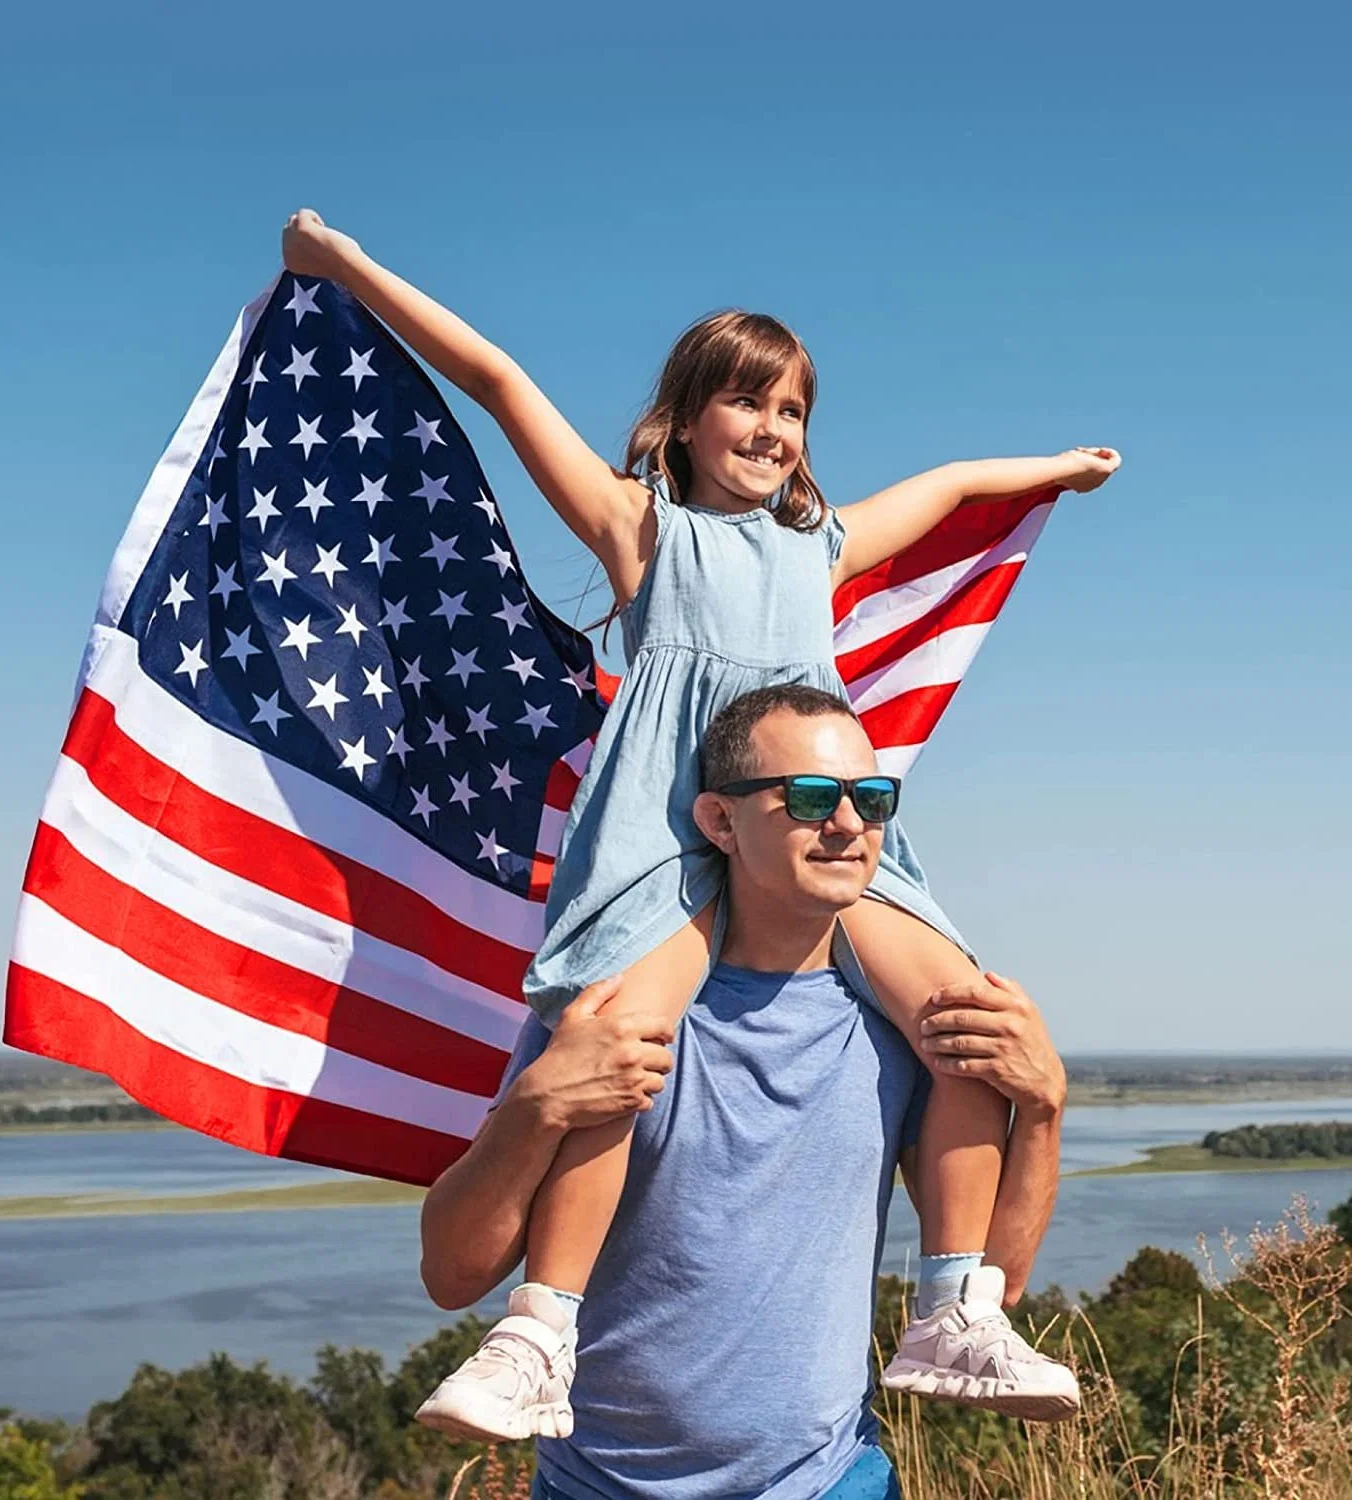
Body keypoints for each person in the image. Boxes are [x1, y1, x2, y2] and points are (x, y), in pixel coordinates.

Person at [280, 208, 1118, 1438]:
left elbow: (942, 490)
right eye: (748, 403)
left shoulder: (819, 549)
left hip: (813, 818)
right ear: (683, 420)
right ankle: (538, 1334)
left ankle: (954, 1308)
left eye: (794, 413)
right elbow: (501, 381)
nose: (775, 432)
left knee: (965, 1019)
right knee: (617, 1042)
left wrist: (1052, 467)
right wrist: (344, 268)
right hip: (667, 838)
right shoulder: (643, 530)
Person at [419, 684, 1072, 1500]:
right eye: (806, 797)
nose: (846, 825)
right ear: (720, 822)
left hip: (832, 1483)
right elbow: (451, 1273)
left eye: (871, 800)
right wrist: (535, 1107)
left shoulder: (905, 1035)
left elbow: (994, 1286)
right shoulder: (613, 1018)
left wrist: (1044, 1109)